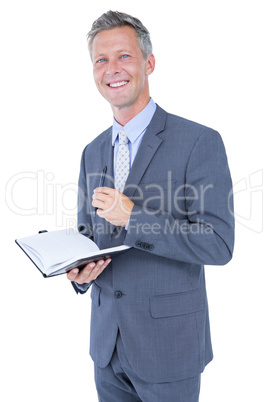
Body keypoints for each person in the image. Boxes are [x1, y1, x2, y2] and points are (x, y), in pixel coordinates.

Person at [67, 10, 234, 402]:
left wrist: (134, 217)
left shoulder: (198, 141)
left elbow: (219, 244)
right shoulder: (92, 152)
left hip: (168, 348)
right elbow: (88, 236)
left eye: (124, 56)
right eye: (101, 60)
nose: (112, 69)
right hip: (106, 349)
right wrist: (78, 273)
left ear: (149, 62)